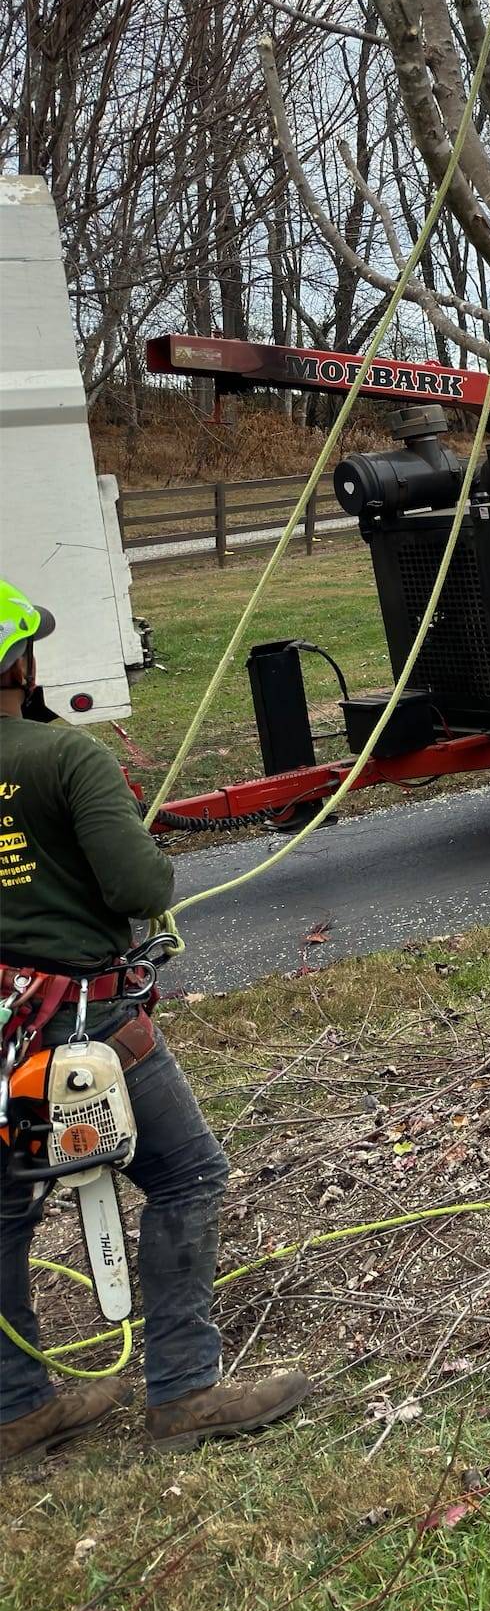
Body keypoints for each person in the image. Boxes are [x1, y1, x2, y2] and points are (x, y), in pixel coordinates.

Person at [0, 583, 309, 1467]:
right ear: (21, 662)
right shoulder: (65, 759)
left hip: (5, 1045)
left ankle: (15, 1407)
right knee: (185, 1176)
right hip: (79, 1033)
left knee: (4, 1213)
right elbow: (140, 889)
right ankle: (185, 1389)